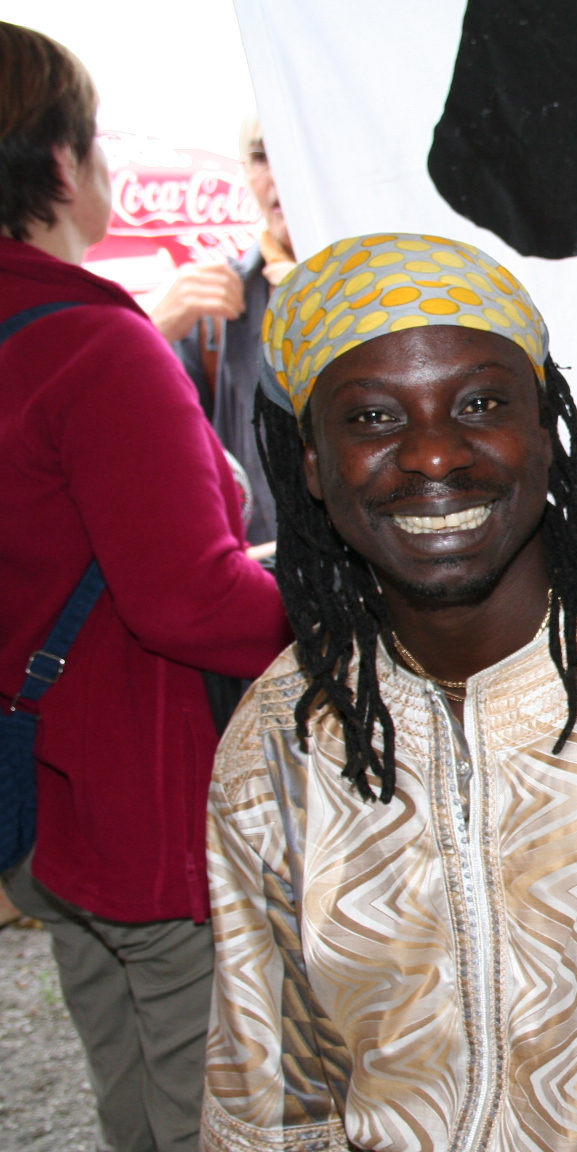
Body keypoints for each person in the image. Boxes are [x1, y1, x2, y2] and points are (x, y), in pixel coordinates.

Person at [202, 233, 577, 1152]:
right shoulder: (284, 739)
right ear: (312, 465)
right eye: (372, 418)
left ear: (547, 430)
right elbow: (272, 1098)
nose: (436, 455)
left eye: (480, 403)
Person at [0, 22, 290, 1152]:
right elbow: (190, 602)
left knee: (123, 1079)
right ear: (61, 161)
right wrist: (342, 615)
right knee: (204, 1099)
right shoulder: (93, 345)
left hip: (39, 788)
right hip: (140, 794)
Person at [153, 117, 297, 545]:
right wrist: (149, 334)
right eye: (261, 156)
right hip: (268, 568)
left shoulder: (397, 289)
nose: (279, 175)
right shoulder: (207, 308)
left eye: (291, 151)